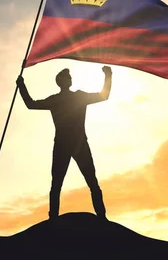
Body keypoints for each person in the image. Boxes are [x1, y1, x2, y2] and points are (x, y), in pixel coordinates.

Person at [16, 66, 112, 220]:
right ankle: (54, 217)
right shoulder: (62, 99)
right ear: (61, 82)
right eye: (67, 77)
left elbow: (103, 96)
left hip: (75, 143)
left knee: (89, 181)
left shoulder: (70, 98)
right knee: (59, 184)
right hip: (68, 144)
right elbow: (31, 104)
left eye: (69, 77)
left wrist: (108, 75)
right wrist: (21, 86)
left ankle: (101, 216)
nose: (70, 79)